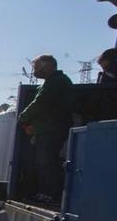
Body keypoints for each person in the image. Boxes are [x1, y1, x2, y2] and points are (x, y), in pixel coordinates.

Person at [16, 54, 74, 204]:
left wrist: (22, 117)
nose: (34, 71)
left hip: (51, 128)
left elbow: (40, 103)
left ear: (46, 65)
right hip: (46, 128)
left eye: (35, 67)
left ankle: (51, 194)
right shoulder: (52, 82)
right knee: (43, 161)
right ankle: (46, 192)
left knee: (46, 161)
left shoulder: (56, 82)